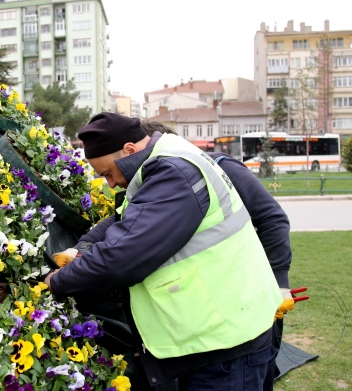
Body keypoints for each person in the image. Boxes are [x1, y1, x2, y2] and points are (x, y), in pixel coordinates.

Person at [45, 113, 284, 391]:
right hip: (220, 333)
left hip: (227, 346)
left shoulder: (173, 172)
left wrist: (58, 281)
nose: (110, 184)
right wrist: (79, 248)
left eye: (108, 173)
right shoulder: (163, 160)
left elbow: (123, 258)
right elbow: (120, 219)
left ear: (129, 150)